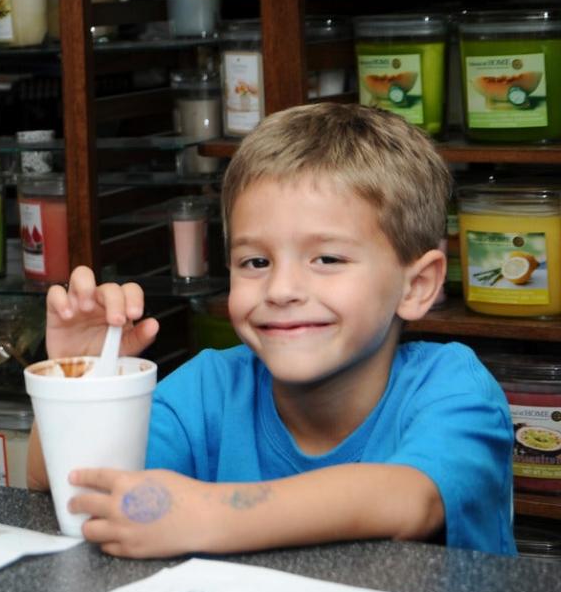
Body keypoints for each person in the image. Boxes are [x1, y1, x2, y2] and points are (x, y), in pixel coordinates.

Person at [29, 103, 515, 556]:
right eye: (256, 261)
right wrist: (85, 383)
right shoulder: (211, 388)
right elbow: (71, 484)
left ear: (418, 286)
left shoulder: (452, 387)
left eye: (327, 258)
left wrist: (208, 514)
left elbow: (409, 500)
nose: (281, 289)